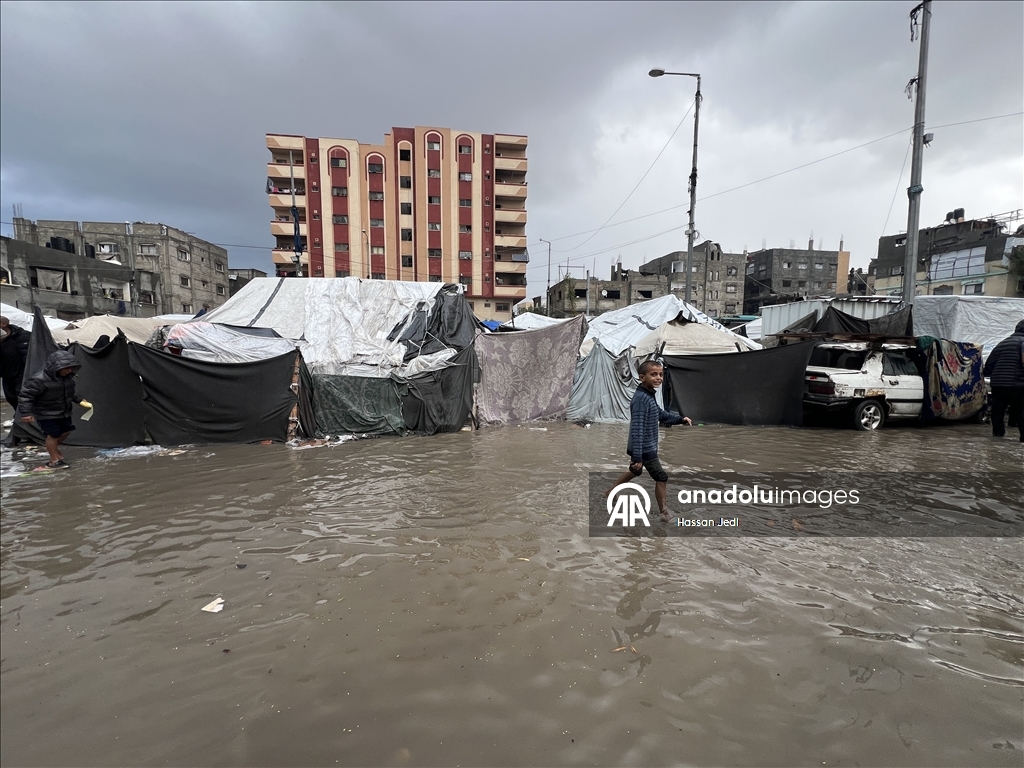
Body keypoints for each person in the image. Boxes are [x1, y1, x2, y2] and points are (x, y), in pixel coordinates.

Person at [608, 359, 692, 522]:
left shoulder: (648, 395)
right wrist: (638, 457)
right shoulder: (641, 399)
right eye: (653, 374)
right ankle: (664, 513)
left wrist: (680, 419)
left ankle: (611, 491)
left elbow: (660, 414)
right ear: (642, 377)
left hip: (644, 447)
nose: (658, 378)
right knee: (661, 477)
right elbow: (637, 429)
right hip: (644, 448)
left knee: (635, 471)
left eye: (660, 374)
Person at [18, 350, 92, 469]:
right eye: (66, 368)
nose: (69, 370)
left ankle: (52, 448)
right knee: (53, 434)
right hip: (46, 413)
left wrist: (80, 400)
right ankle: (54, 460)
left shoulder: (67, 378)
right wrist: (26, 413)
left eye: (71, 368)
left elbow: (71, 392)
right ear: (56, 367)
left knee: (67, 430)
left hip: (63, 411)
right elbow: (26, 396)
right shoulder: (39, 379)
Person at [983, 319, 1024, 442]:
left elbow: (988, 366)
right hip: (1019, 383)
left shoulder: (1001, 343)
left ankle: (997, 439)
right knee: (1021, 411)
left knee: (998, 411)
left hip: (998, 384)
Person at [0, 315, 31, 409]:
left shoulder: (23, 336)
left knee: (23, 396)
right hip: (7, 374)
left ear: (4, 324)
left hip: (23, 372)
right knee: (11, 397)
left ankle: (23, 415)